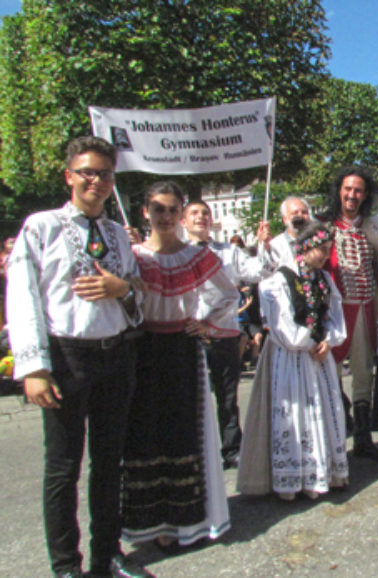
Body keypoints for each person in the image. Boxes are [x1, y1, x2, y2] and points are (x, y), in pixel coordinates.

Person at [6, 136, 150, 577]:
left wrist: (121, 289)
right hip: (68, 358)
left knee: (110, 463)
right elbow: (23, 295)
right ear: (69, 176)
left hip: (115, 355)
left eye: (104, 174)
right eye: (87, 171)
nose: (96, 180)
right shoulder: (41, 226)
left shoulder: (116, 235)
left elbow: (137, 293)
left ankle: (108, 555)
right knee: (63, 468)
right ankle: (67, 565)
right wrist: (33, 366)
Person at [122, 181, 237, 549]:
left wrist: (202, 320)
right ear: (146, 212)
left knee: (183, 432)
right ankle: (153, 522)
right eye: (159, 209)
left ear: (182, 214)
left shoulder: (194, 256)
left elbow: (228, 293)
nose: (166, 216)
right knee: (146, 435)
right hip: (143, 351)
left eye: (173, 210)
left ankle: (185, 521)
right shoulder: (134, 256)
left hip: (183, 350)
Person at [237, 221, 349, 499]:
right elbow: (281, 325)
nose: (325, 255)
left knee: (322, 413)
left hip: (317, 358)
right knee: (294, 415)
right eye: (321, 249)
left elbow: (335, 317)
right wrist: (309, 342)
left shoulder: (324, 280)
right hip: (290, 358)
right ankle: (292, 480)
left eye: (328, 249)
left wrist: (328, 340)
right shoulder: (278, 280)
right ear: (305, 246)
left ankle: (321, 473)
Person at [182, 199, 274, 470]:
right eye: (194, 213)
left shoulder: (229, 252)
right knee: (191, 398)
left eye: (205, 213)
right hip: (189, 333)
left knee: (227, 396)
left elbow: (260, 272)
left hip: (224, 333)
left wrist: (264, 246)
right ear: (183, 221)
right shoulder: (176, 253)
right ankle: (196, 452)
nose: (201, 217)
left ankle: (232, 448)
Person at [318, 166, 378, 461]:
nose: (352, 195)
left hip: (365, 307)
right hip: (335, 309)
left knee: (364, 371)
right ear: (339, 191)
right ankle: (335, 438)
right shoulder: (324, 224)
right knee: (330, 373)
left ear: (365, 195)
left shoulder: (372, 224)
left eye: (358, 190)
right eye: (348, 189)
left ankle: (363, 439)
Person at [271, 196, 312, 267]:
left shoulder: (318, 240)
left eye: (304, 212)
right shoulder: (276, 245)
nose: (300, 216)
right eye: (295, 213)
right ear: (285, 219)